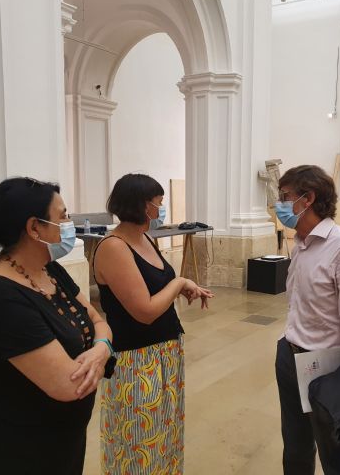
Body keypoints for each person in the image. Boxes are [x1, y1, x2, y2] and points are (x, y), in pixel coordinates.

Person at [0, 177, 113, 475]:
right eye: (63, 216)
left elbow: (97, 320)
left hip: (65, 442)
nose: (69, 224)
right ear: (34, 228)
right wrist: (103, 349)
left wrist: (100, 350)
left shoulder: (50, 270)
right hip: (24, 453)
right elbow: (70, 385)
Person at [94, 173, 213, 474]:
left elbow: (154, 284)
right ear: (143, 205)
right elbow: (144, 311)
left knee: (165, 437)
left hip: (165, 353)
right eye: (159, 203)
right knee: (139, 444)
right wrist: (180, 282)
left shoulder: (144, 238)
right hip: (136, 361)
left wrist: (180, 287)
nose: (161, 209)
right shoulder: (113, 246)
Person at [273, 165, 340, 474]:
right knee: (296, 447)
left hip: (329, 368)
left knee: (339, 456)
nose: (279, 204)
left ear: (307, 199)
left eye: (285, 196)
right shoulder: (301, 243)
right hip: (290, 356)